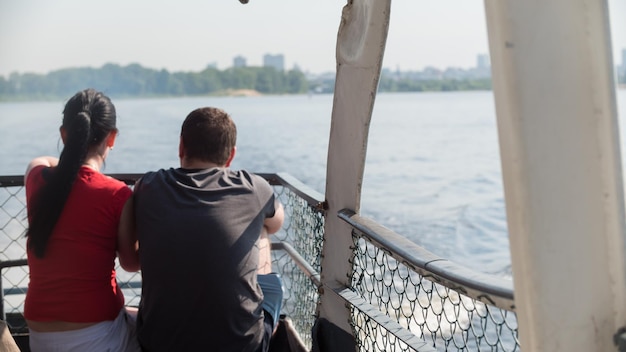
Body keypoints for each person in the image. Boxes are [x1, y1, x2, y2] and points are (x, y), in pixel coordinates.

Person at [131, 106, 285, 351]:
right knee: (263, 232)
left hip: (159, 343)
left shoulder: (147, 186)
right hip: (240, 345)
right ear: (231, 156)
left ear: (181, 146)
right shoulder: (254, 187)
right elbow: (277, 223)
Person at [23, 88, 140, 351]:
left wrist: (71, 162)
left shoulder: (36, 179)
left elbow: (40, 161)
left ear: (64, 134)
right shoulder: (118, 193)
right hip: (96, 332)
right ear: (112, 138)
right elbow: (131, 264)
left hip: (39, 332)